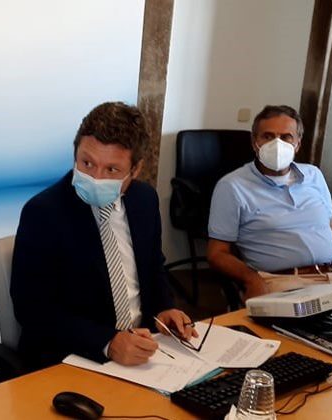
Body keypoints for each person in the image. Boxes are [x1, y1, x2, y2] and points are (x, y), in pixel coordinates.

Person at [11, 102, 196, 368]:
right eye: (87, 163)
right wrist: (108, 341)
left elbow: (153, 267)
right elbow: (31, 310)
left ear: (135, 170)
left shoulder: (144, 199)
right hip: (72, 357)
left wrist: (164, 308)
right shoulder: (43, 212)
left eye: (111, 170)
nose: (95, 178)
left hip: (143, 348)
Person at [207, 105, 332, 299]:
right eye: (268, 136)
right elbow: (217, 253)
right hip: (283, 283)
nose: (277, 144)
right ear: (255, 142)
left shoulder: (314, 175)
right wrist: (251, 279)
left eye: (286, 137)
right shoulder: (232, 186)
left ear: (298, 144)